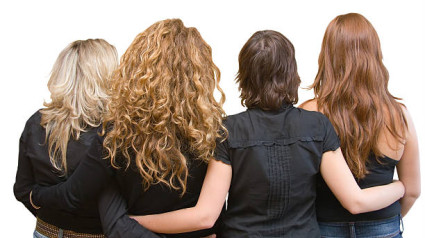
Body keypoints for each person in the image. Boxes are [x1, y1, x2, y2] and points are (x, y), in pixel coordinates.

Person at [129, 30, 405, 237]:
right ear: (291, 73)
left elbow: (204, 217)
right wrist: (400, 186)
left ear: (244, 76)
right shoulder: (317, 126)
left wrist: (135, 221)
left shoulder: (228, 130)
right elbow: (354, 200)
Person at [30, 19, 227, 237]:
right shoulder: (214, 131)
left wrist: (35, 195)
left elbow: (77, 194)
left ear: (138, 69)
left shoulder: (117, 133)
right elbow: (211, 215)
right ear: (202, 74)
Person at [299, 13, 421, 238]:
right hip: (384, 228)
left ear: (327, 55)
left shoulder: (310, 112)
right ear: (374, 53)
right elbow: (412, 191)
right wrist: (383, 223)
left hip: (325, 228)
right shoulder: (399, 115)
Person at [14, 39, 118, 237]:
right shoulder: (113, 133)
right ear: (108, 77)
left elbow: (22, 191)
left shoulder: (37, 123)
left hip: (46, 231)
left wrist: (48, 212)